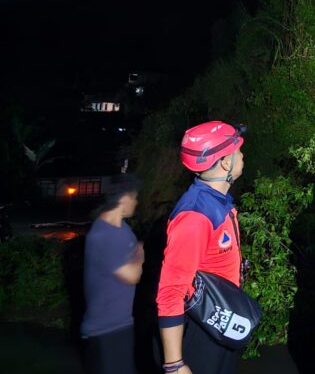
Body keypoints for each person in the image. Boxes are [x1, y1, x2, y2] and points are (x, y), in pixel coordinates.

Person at [157, 121, 246, 374]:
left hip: (219, 319)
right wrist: (175, 364)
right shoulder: (196, 216)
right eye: (238, 150)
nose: (242, 154)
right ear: (226, 164)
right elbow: (170, 291)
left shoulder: (216, 201)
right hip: (200, 328)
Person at [81, 184, 143, 374]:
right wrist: (140, 255)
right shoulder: (103, 235)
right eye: (134, 198)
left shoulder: (123, 229)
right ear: (124, 200)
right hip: (106, 328)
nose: (136, 202)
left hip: (122, 323)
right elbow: (132, 276)